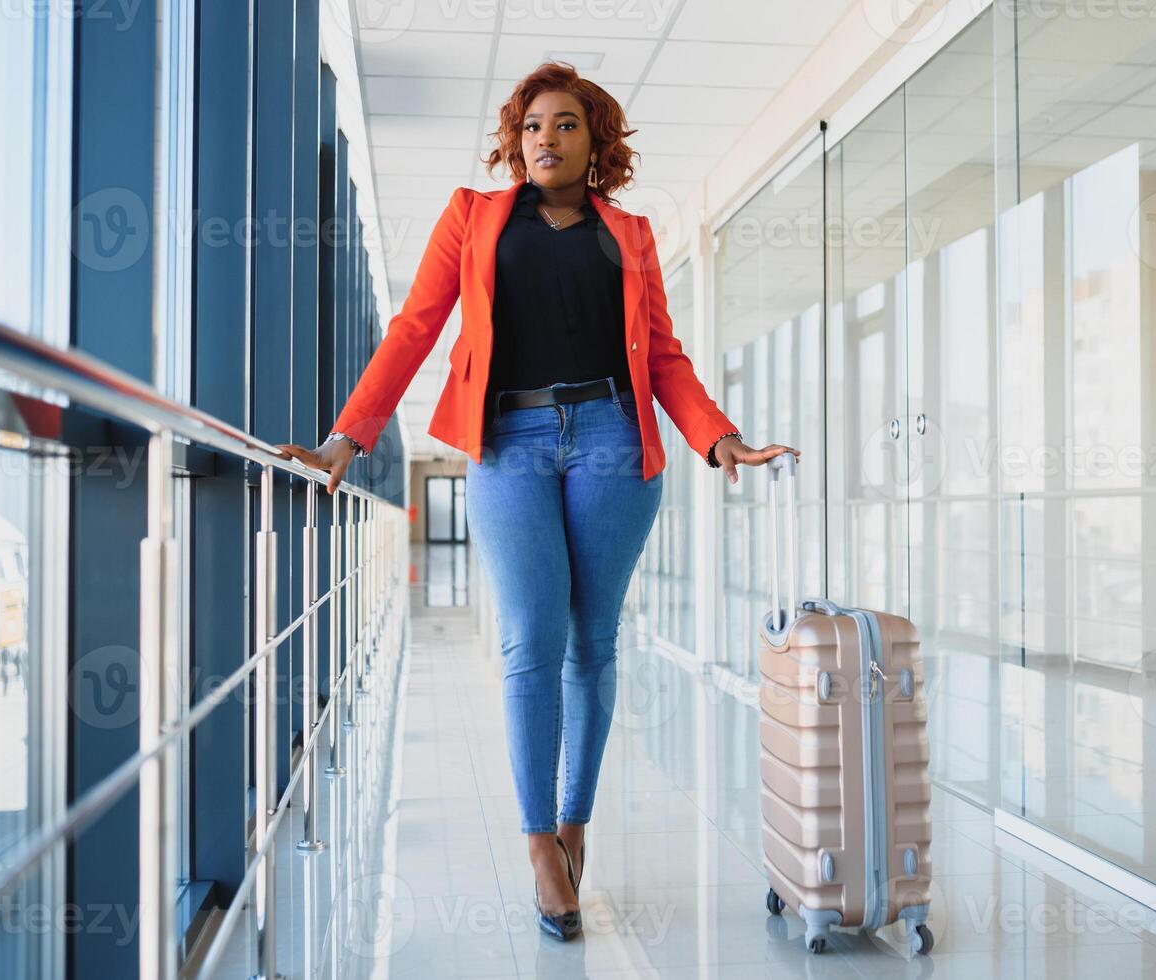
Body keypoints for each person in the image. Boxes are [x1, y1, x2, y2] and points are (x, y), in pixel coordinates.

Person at [278, 62, 799, 941]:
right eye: (530, 127)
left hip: (610, 437)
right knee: (532, 641)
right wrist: (347, 435)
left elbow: (663, 356)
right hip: (508, 443)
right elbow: (414, 327)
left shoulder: (629, 234)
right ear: (512, 142)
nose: (544, 140)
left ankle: (572, 824)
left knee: (593, 645)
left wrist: (719, 437)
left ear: (596, 142)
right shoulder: (472, 218)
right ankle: (535, 847)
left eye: (564, 125)